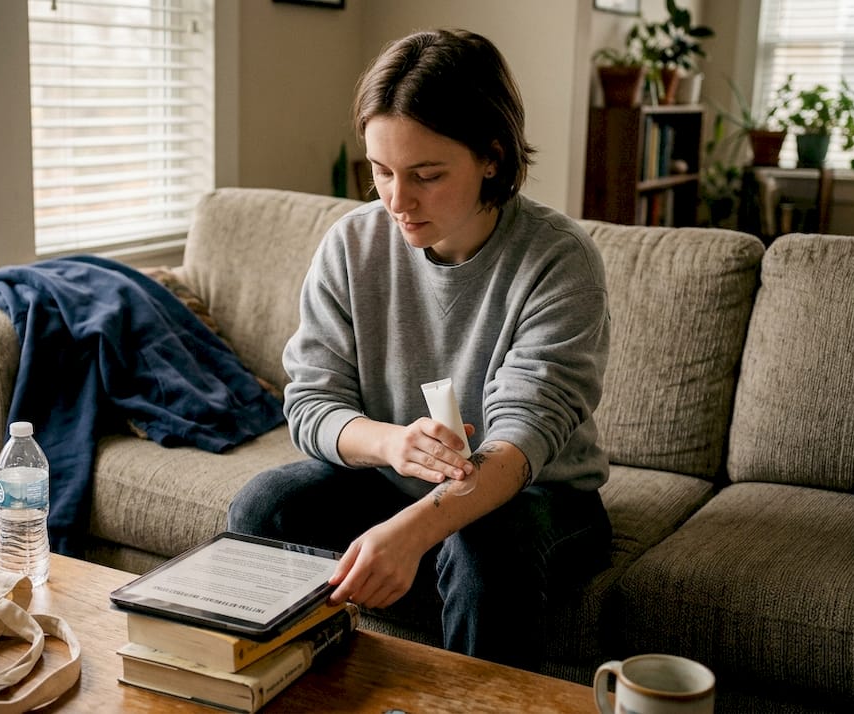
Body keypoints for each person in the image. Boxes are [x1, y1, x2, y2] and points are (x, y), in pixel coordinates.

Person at [226, 28, 612, 672]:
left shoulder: (559, 260)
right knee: (264, 506)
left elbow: (523, 439)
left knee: (486, 545)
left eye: (427, 175)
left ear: (491, 156)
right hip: (391, 482)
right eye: (381, 172)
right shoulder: (352, 246)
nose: (398, 201)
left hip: (538, 498)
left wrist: (411, 533)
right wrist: (391, 444)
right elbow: (312, 402)